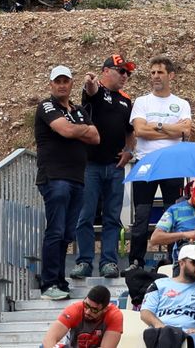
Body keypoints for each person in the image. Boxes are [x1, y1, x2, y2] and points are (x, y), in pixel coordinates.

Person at [36, 64, 101, 299]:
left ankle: (60, 281)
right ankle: (49, 283)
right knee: (55, 230)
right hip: (54, 177)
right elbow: (63, 130)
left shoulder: (79, 109)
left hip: (76, 178)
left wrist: (76, 129)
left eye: (66, 81)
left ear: (72, 83)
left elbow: (96, 137)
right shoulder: (46, 105)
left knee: (66, 233)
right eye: (58, 81)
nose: (62, 85)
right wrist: (79, 129)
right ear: (51, 84)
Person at [74, 54, 137, 280]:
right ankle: (84, 261)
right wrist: (89, 82)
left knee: (112, 217)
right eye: (121, 71)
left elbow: (130, 132)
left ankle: (109, 262)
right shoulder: (96, 90)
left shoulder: (126, 100)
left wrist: (130, 151)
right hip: (90, 165)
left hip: (115, 165)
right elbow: (90, 90)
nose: (125, 76)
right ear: (106, 71)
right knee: (86, 215)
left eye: (128, 73)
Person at [130, 58, 194, 271]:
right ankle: (136, 262)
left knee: (173, 213)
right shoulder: (142, 102)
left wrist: (154, 126)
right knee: (141, 215)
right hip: (146, 162)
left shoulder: (182, 104)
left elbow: (185, 132)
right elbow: (139, 131)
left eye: (160, 72)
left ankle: (173, 259)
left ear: (171, 75)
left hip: (173, 164)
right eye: (152, 72)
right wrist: (169, 127)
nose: (156, 76)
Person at [141, 243, 195, 348]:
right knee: (166, 334)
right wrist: (161, 326)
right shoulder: (159, 284)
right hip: (160, 332)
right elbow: (145, 313)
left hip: (190, 335)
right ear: (182, 263)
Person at [43, 283, 124, 348]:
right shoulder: (75, 309)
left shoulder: (114, 315)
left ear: (105, 309)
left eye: (94, 309)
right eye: (86, 305)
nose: (88, 312)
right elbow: (49, 338)